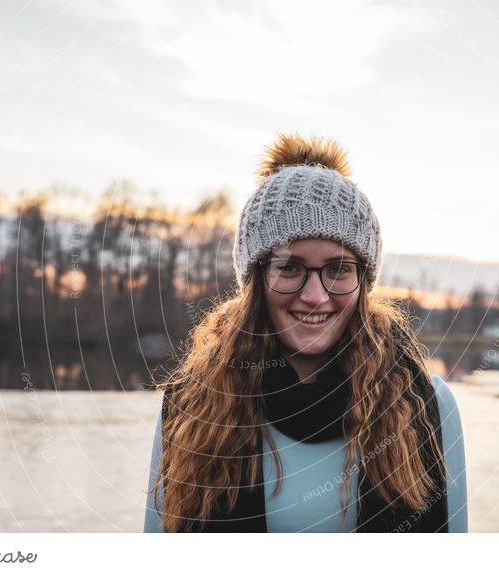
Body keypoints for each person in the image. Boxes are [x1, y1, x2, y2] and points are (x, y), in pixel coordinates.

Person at [144, 134, 467, 533]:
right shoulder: (189, 408)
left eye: (338, 269)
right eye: (289, 267)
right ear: (256, 281)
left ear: (364, 283)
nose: (316, 297)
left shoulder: (429, 405)